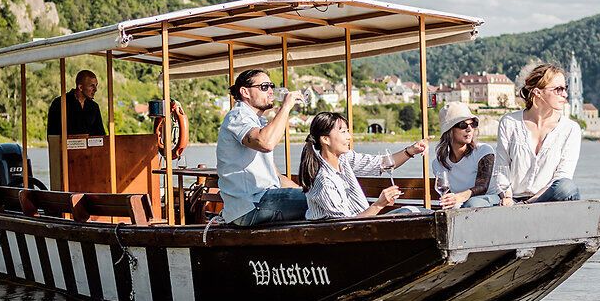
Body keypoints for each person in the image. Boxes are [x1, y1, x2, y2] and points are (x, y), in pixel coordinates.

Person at [299, 111, 427, 221]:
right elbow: (345, 227)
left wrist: (411, 150)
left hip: (362, 228)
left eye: (347, 131)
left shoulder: (344, 159)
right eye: (343, 132)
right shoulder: (324, 181)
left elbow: (381, 163)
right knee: (414, 215)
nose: (349, 137)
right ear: (325, 139)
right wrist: (379, 204)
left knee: (416, 212)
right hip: (343, 240)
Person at [216, 67, 304, 226]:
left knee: (318, 198)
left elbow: (276, 177)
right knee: (322, 202)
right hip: (251, 205)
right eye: (264, 87)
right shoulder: (238, 116)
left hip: (262, 201)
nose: (271, 91)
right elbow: (266, 143)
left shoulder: (256, 122)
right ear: (245, 92)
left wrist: (304, 191)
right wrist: (286, 107)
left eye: (272, 86)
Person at [494, 62, 581, 203]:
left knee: (567, 187)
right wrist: (507, 197)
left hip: (546, 198)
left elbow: (561, 177)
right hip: (511, 198)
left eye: (565, 88)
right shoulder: (509, 122)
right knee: (474, 204)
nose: (564, 94)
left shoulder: (571, 129)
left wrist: (528, 204)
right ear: (537, 92)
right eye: (558, 89)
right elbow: (501, 168)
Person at [433, 101, 508, 209]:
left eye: (472, 124)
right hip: (462, 207)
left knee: (471, 204)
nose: (469, 129)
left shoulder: (484, 151)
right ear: (449, 130)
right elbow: (447, 194)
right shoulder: (438, 163)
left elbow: (482, 187)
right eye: (463, 125)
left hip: (491, 202)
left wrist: (459, 198)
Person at [45, 69, 105, 139]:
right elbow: (52, 135)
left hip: (91, 149)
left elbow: (101, 135)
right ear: (80, 87)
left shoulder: (94, 107)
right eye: (92, 86)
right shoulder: (59, 103)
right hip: (65, 148)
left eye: (96, 85)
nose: (95, 89)